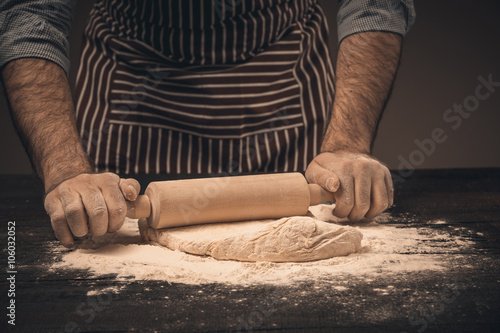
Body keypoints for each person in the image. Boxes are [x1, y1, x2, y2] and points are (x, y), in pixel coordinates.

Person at [0, 0, 415, 248]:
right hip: (134, 86)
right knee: (112, 242)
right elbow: (31, 13)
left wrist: (346, 143)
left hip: (280, 77)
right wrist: (67, 170)